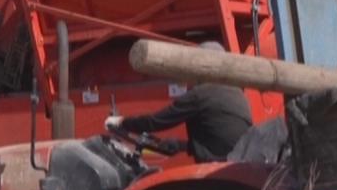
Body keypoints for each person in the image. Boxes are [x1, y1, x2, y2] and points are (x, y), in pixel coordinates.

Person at [105, 42, 254, 162]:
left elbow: (156, 122)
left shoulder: (200, 95)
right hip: (238, 162)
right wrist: (180, 146)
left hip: (218, 169)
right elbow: (220, 139)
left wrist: (122, 122)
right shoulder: (236, 92)